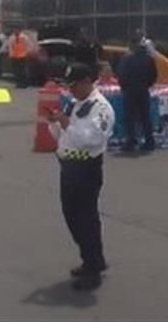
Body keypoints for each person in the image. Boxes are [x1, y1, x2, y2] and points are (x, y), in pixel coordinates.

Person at [47, 63, 115, 291]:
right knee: (71, 216)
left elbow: (92, 139)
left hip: (86, 168)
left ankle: (93, 267)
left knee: (86, 219)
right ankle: (91, 258)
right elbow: (61, 135)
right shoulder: (76, 104)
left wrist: (66, 123)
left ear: (88, 81)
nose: (71, 90)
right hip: (68, 167)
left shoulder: (101, 108)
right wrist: (55, 122)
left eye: (74, 85)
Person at [117, 35, 158, 152]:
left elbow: (121, 75)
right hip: (143, 90)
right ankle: (149, 141)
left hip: (130, 91)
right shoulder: (149, 59)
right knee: (145, 116)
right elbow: (153, 75)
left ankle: (131, 141)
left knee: (129, 117)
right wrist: (146, 85)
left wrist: (124, 86)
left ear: (132, 45)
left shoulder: (127, 58)